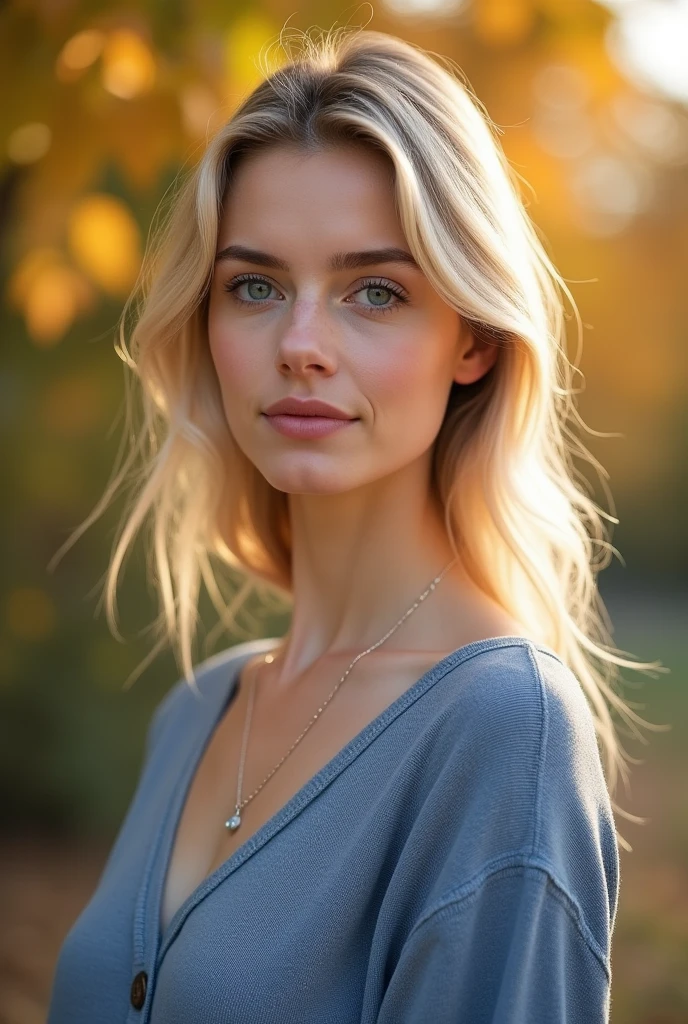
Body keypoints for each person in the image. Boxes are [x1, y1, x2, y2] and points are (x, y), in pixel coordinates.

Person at [46, 26, 662, 1023]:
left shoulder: (505, 729)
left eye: (373, 291)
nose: (299, 345)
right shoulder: (197, 712)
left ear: (469, 339)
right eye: (254, 286)